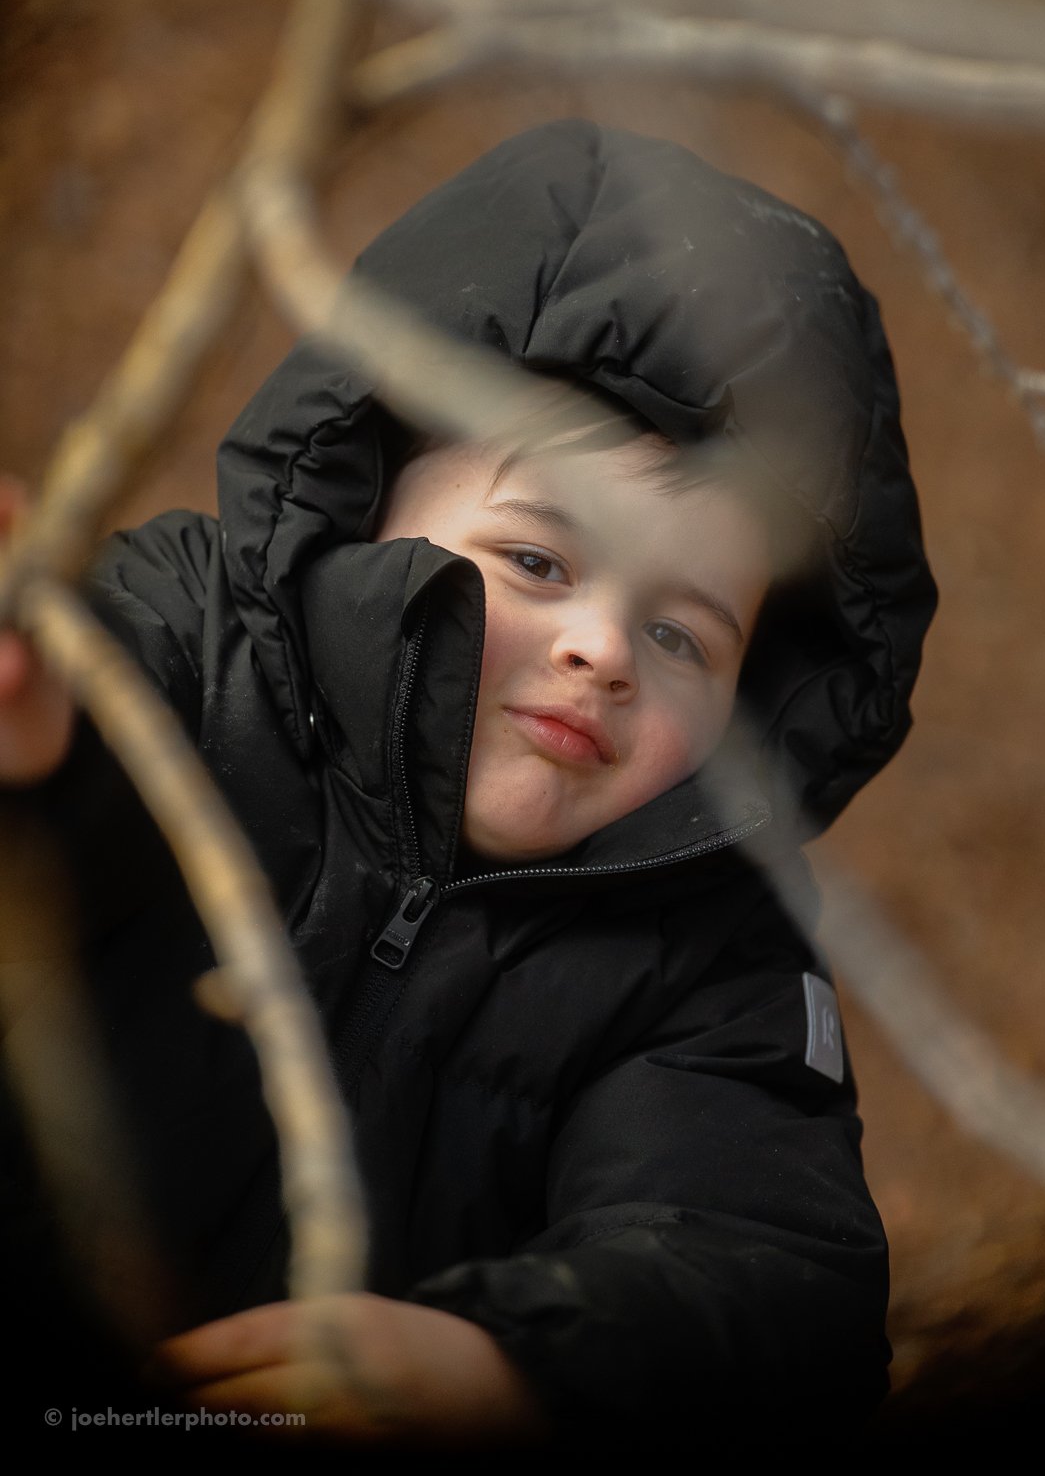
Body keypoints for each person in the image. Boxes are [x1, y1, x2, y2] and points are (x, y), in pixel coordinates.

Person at [0, 119, 936, 1446]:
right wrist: (36, 750)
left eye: (679, 635)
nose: (602, 651)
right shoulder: (185, 641)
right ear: (372, 492)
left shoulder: (707, 955)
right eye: (539, 562)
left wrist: (516, 1369)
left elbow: (771, 1274)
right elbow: (79, 741)